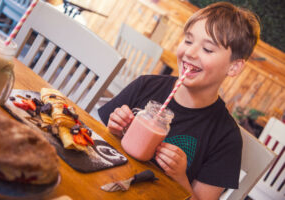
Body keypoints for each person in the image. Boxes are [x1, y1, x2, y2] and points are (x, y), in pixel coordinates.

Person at [98, 2, 260, 199]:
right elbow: (97, 140)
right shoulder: (146, 85)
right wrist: (115, 130)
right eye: (188, 41)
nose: (190, 53)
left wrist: (179, 176)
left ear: (233, 67)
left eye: (208, 49)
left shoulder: (225, 137)